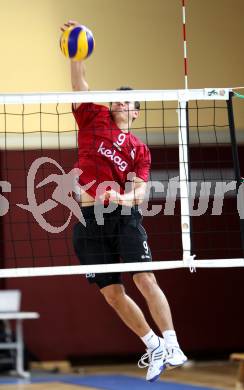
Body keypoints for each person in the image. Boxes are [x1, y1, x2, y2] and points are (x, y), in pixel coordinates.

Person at [61, 20, 187, 383]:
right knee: (112, 294)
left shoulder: (139, 150)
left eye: (127, 101)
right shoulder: (93, 117)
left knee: (145, 279)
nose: (120, 100)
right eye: (117, 96)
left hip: (123, 216)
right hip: (90, 218)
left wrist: (121, 196)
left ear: (135, 112)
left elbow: (141, 192)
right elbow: (79, 83)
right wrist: (75, 55)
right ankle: (152, 346)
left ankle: (172, 343)